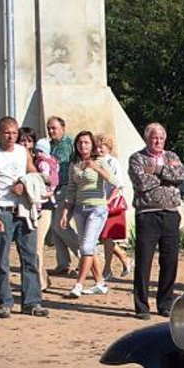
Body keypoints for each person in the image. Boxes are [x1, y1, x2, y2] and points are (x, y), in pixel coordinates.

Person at [0, 116, 48, 318]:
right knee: (1, 260)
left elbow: (34, 173)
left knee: (30, 257)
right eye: (7, 132)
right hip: (3, 210)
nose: (11, 137)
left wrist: (25, 182)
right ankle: (4, 303)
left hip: (24, 210)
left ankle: (32, 302)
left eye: (14, 133)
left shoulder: (22, 152)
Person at [128, 122, 184, 319]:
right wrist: (168, 175)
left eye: (161, 138)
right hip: (147, 213)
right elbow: (141, 182)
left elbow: (182, 175)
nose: (158, 141)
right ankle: (141, 306)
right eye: (154, 137)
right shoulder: (137, 158)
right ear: (147, 138)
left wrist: (158, 170)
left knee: (170, 261)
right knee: (144, 261)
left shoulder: (172, 156)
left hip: (170, 213)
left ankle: (165, 303)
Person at [61, 131, 117, 298]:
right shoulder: (75, 165)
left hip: (97, 209)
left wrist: (97, 168)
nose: (83, 146)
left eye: (86, 142)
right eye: (80, 143)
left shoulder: (100, 161)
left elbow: (114, 182)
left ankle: (78, 284)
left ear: (91, 145)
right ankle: (100, 283)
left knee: (85, 247)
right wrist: (65, 212)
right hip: (79, 209)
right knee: (89, 247)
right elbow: (71, 189)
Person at [46, 116, 80, 275]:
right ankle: (63, 263)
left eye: (54, 128)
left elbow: (58, 167)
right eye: (49, 128)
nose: (51, 131)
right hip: (55, 189)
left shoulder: (66, 145)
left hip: (65, 187)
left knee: (61, 225)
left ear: (63, 128)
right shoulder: (51, 144)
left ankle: (88, 257)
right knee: (55, 227)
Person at [95, 133, 132, 281]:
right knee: (102, 237)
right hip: (98, 201)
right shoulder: (95, 161)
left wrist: (109, 200)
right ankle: (124, 257)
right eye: (97, 146)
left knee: (107, 235)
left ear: (108, 147)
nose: (99, 149)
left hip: (111, 203)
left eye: (102, 146)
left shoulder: (112, 162)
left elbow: (118, 183)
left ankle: (107, 268)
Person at [31, 137, 61, 291]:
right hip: (44, 202)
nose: (37, 154)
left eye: (40, 150)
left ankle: (40, 281)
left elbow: (46, 179)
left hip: (43, 204)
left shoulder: (43, 164)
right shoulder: (53, 162)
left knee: (37, 245)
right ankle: (43, 278)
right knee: (36, 245)